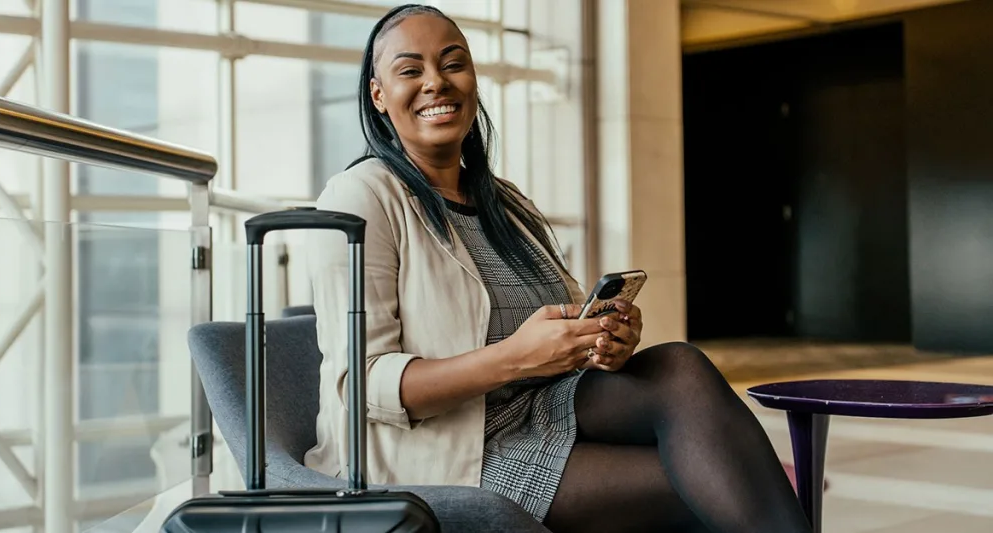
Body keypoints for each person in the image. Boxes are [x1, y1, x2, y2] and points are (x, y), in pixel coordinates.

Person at [304, 4, 812, 532]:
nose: (436, 82)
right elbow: (362, 383)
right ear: (378, 94)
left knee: (679, 371)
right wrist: (516, 358)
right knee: (710, 481)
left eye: (453, 64)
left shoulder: (506, 203)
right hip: (455, 449)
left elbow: (559, 332)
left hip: (548, 411)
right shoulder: (361, 196)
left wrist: (600, 340)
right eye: (411, 70)